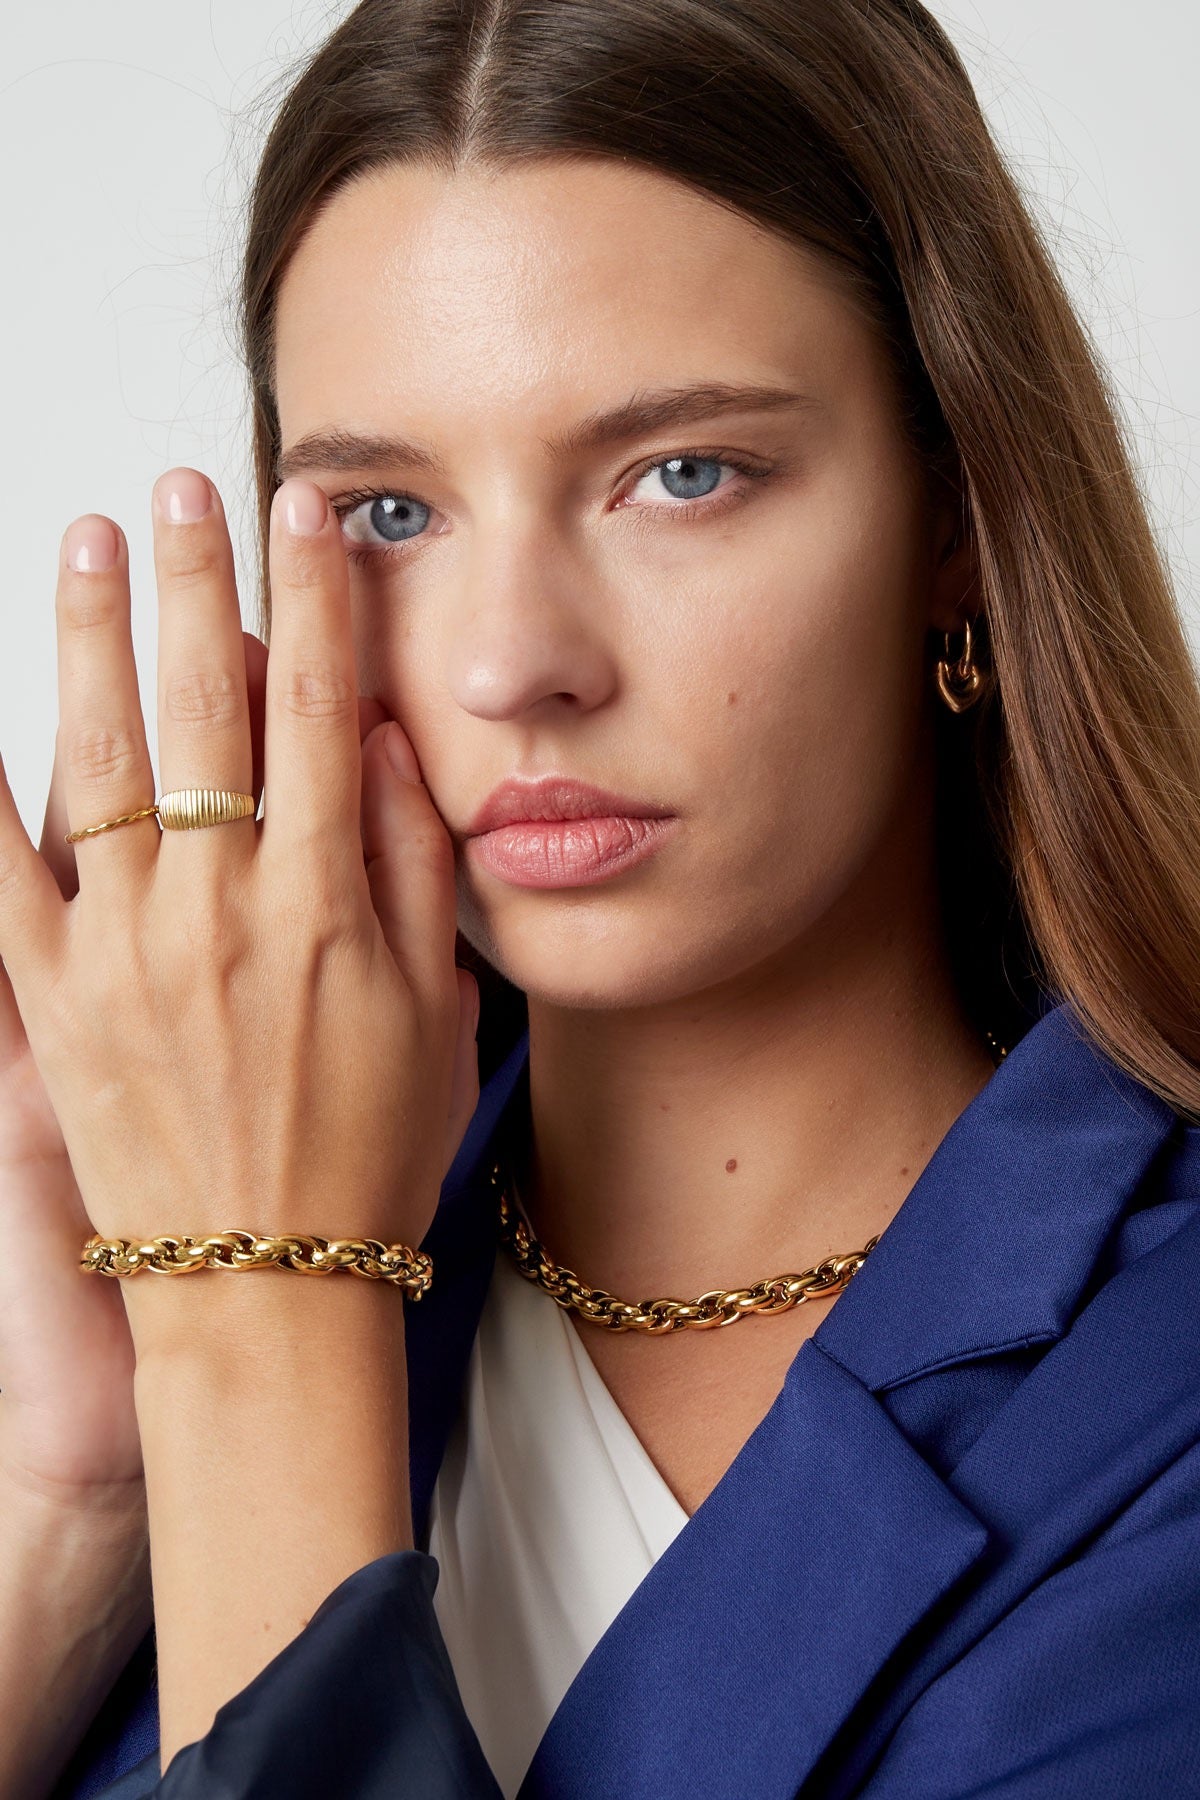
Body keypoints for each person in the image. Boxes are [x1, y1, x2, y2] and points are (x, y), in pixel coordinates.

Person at [0, 0, 1197, 1795]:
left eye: (681, 476)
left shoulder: (1156, 1405)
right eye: (390, 513)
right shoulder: (192, 1271)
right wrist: (71, 1508)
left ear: (959, 514)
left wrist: (265, 1322)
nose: (512, 665)